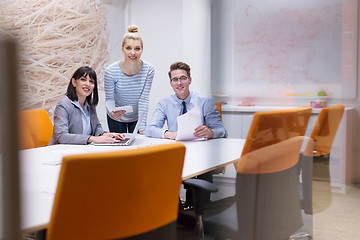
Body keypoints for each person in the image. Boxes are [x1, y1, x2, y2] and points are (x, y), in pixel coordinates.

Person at [146, 61, 227, 140]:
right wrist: (170, 134)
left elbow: (222, 131)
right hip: (176, 146)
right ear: (171, 83)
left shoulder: (204, 101)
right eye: (175, 79)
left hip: (199, 145)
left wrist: (210, 133)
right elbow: (150, 129)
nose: (179, 83)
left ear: (190, 80)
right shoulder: (164, 103)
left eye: (183, 78)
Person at [50, 66, 125, 145]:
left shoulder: (90, 103)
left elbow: (96, 127)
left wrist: (105, 134)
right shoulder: (63, 105)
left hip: (83, 149)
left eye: (91, 81)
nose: (87, 84)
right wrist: (92, 139)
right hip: (64, 151)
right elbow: (62, 136)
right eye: (83, 79)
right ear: (74, 82)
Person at [104, 24, 154, 134]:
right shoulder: (110, 71)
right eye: (128, 48)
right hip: (116, 117)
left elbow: (144, 99)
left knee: (137, 148)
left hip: (136, 117)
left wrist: (142, 127)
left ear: (142, 49)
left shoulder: (148, 70)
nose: (132, 52)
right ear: (122, 48)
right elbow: (109, 99)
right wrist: (113, 112)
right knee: (119, 148)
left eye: (137, 48)